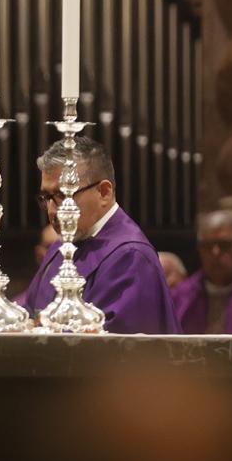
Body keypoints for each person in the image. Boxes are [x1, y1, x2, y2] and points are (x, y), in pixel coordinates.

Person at [22, 136, 178, 334]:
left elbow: (116, 351)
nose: (52, 210)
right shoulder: (58, 249)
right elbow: (30, 314)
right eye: (47, 197)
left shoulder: (131, 257)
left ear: (104, 192)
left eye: (63, 195)